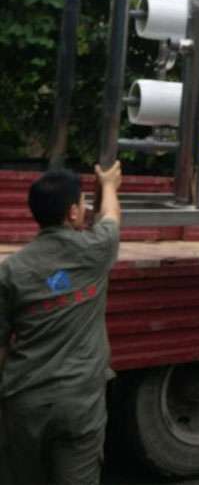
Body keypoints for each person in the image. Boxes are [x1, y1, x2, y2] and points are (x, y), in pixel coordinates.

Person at [0, 161, 122, 485]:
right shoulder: (95, 251)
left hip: (24, 402)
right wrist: (109, 185)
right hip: (78, 402)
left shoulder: (11, 270)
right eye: (82, 203)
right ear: (72, 212)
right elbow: (111, 219)